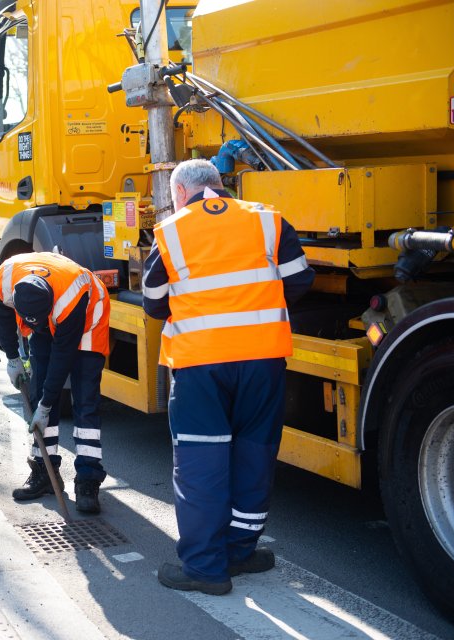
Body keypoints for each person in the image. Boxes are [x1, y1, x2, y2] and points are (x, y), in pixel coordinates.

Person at [142, 159, 314, 595]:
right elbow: (299, 281)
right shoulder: (268, 220)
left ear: (180, 192)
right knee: (255, 456)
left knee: (202, 464)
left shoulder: (170, 233)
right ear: (221, 185)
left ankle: (204, 567)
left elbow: (153, 304)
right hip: (263, 361)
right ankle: (239, 552)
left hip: (200, 365)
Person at [0, 252, 110, 513]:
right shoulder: (3, 282)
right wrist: (12, 358)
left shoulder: (70, 298)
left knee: (85, 399)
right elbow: (2, 319)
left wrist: (46, 404)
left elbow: (62, 358)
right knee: (37, 390)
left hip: (88, 318)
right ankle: (45, 469)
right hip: (50, 319)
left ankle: (88, 479)